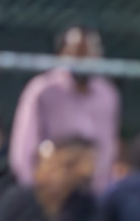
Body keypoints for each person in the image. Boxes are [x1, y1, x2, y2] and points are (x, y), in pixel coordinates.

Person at [8, 26, 121, 192]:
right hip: (51, 185)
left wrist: (101, 190)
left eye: (90, 52)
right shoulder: (42, 89)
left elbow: (107, 146)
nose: (84, 59)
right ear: (61, 54)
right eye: (77, 52)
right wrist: (32, 190)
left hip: (92, 189)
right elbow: (24, 146)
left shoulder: (107, 93)